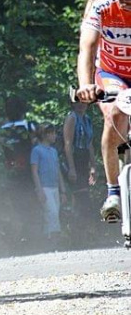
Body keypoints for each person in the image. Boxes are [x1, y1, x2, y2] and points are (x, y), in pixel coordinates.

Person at [77, 0, 131, 222]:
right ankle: (113, 194)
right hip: (112, 73)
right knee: (115, 116)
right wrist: (85, 85)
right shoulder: (99, 4)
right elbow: (86, 48)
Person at [0, 96, 38, 246]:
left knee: (16, 206)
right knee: (31, 204)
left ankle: (20, 239)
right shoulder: (30, 126)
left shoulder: (3, 129)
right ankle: (31, 238)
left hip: (11, 173)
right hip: (29, 172)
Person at [63, 99, 97, 232]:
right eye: (77, 101)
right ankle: (76, 231)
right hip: (74, 157)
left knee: (85, 194)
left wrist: (93, 166)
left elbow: (89, 143)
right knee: (79, 196)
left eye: (83, 101)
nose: (81, 104)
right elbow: (68, 144)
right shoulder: (71, 118)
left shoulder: (87, 119)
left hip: (84, 158)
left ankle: (85, 231)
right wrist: (71, 168)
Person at [30, 123, 66, 246]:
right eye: (52, 133)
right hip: (44, 187)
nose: (55, 136)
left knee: (55, 212)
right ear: (45, 134)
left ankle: (50, 240)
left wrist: (63, 190)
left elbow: (58, 170)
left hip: (55, 186)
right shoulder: (36, 150)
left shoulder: (54, 151)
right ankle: (52, 239)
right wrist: (39, 189)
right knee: (51, 212)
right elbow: (34, 171)